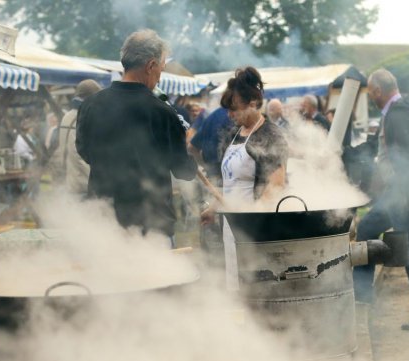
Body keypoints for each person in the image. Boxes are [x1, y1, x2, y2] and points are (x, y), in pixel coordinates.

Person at [76, 29, 196, 240]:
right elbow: (183, 170)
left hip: (103, 220)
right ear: (151, 65)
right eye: (162, 67)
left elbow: (84, 151)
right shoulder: (162, 112)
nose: (160, 76)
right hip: (151, 226)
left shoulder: (90, 105)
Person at [355, 69, 409, 331]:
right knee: (367, 229)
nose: (371, 97)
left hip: (404, 195)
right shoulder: (399, 111)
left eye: (371, 93)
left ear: (378, 91)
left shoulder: (399, 114)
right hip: (400, 193)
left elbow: (407, 159)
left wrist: (400, 191)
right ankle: (362, 298)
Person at [211, 66, 288, 290]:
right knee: (236, 284)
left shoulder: (270, 135)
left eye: (234, 108)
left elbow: (276, 185)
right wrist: (214, 206)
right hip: (231, 224)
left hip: (255, 227)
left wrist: (252, 222)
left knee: (256, 287)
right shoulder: (234, 134)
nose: (230, 114)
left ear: (253, 103)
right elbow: (230, 182)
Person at [59, 79, 101, 196]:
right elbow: (79, 156)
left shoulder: (67, 116)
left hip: (69, 179)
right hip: (81, 184)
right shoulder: (81, 118)